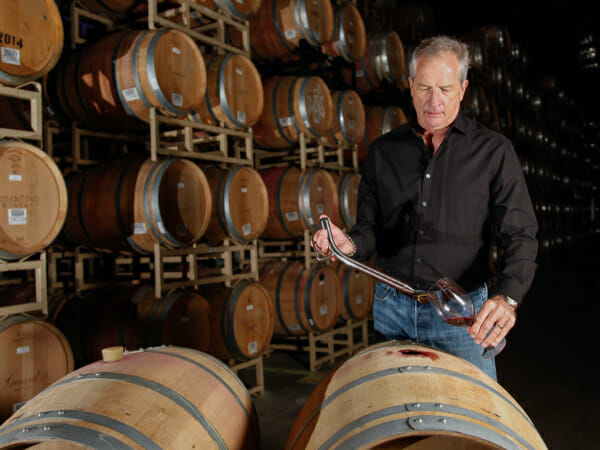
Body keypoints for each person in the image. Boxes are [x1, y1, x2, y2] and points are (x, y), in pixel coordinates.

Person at [312, 35, 538, 380]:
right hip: (393, 311)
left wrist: (508, 298)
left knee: (473, 420)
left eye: (445, 90)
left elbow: (521, 233)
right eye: (424, 88)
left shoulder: (494, 152)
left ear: (463, 89)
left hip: (462, 319)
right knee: (394, 418)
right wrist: (351, 245)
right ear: (410, 86)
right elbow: (370, 228)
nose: (434, 101)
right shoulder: (384, 152)